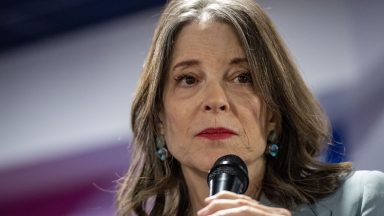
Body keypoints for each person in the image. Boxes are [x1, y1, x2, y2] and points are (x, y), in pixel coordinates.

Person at [116, 0, 384, 215]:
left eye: (242, 77)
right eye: (189, 79)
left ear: (274, 116)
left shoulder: (362, 200)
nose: (215, 100)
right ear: (159, 119)